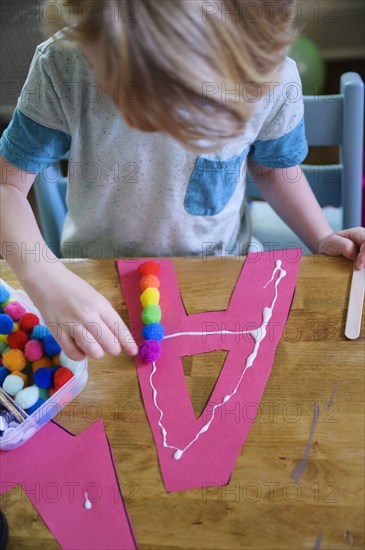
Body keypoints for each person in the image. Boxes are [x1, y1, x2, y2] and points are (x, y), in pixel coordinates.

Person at [0, 0, 364, 361]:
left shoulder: (269, 78)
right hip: (97, 277)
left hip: (222, 271)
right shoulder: (63, 63)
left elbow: (271, 168)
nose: (148, 122)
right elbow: (7, 186)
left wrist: (321, 237)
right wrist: (43, 276)